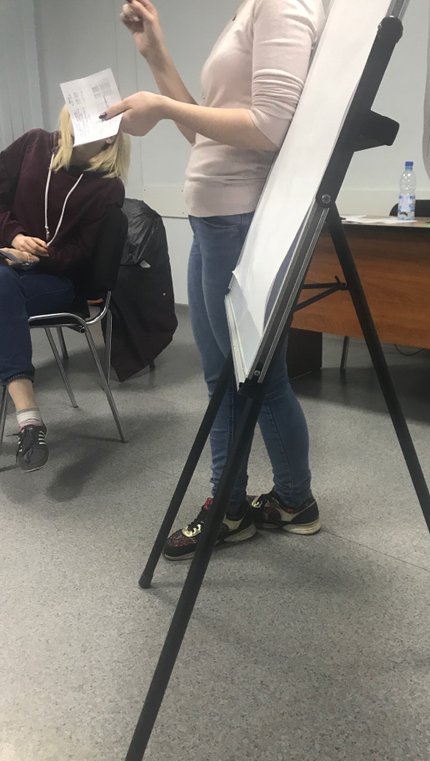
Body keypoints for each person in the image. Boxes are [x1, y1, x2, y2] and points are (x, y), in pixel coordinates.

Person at [108, 0, 325, 559]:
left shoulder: (281, 4)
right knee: (240, 379)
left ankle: (234, 509)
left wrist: (159, 105)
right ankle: (288, 502)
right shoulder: (251, 7)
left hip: (237, 222)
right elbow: (208, 133)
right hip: (215, 222)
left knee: (241, 381)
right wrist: (156, 55)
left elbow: (268, 128)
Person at [0, 106, 129, 471]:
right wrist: (14, 236)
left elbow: (82, 253)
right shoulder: (33, 145)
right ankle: (29, 419)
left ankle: (27, 417)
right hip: (7, 266)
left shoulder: (107, 187)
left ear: (111, 135)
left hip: (56, 281)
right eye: (76, 109)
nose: (80, 120)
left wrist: (39, 256)